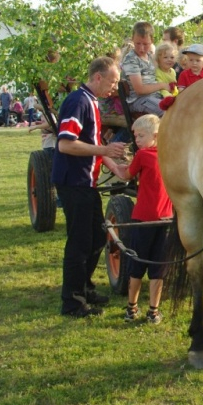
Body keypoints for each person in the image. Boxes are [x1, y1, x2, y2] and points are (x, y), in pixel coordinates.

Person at [52, 56, 129, 317]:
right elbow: (65, 144)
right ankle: (72, 302)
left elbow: (91, 143)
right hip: (74, 182)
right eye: (112, 81)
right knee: (80, 243)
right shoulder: (78, 101)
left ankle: (84, 288)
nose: (114, 88)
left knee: (97, 237)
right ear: (98, 77)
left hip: (86, 182)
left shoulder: (91, 101)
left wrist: (114, 165)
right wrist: (106, 149)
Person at [111, 114, 173, 324]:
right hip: (165, 219)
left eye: (141, 136)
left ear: (155, 135)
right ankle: (153, 310)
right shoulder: (170, 155)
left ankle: (132, 307)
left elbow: (127, 175)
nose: (137, 140)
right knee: (158, 266)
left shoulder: (143, 155)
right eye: (135, 136)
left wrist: (114, 165)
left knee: (138, 263)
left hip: (143, 219)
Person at [120, 22, 169, 116]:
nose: (141, 48)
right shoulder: (131, 59)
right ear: (132, 38)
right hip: (139, 100)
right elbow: (140, 90)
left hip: (155, 96)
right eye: (137, 43)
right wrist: (162, 85)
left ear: (152, 41)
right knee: (167, 111)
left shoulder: (151, 57)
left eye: (145, 44)